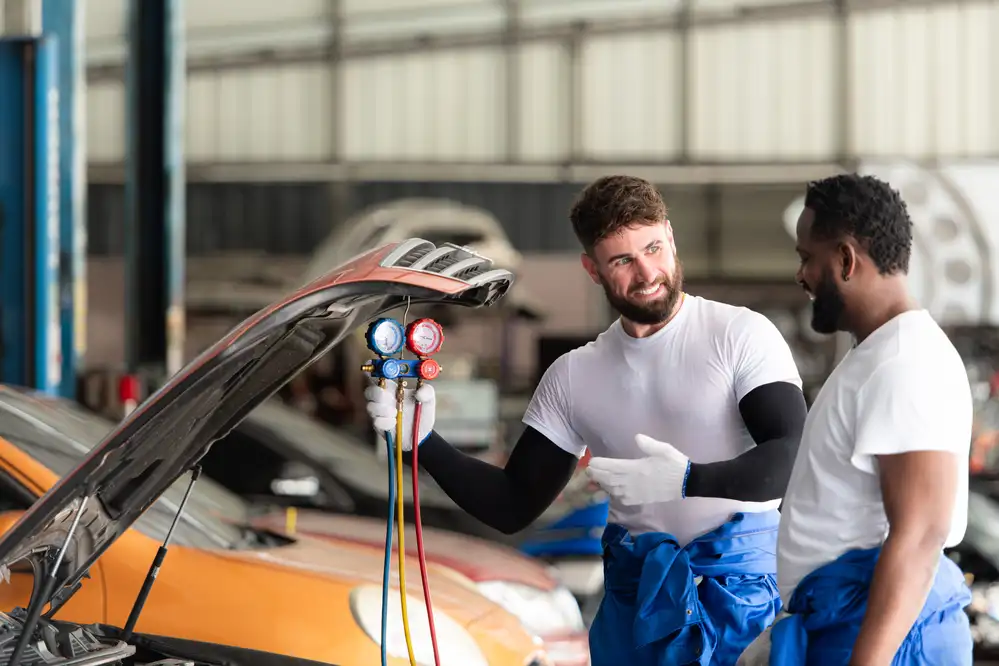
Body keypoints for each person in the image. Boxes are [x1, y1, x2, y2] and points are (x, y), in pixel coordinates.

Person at [365, 175, 808, 666]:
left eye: (653, 248)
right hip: (634, 612)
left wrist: (687, 479)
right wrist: (422, 441)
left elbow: (789, 453)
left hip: (742, 605)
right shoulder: (575, 375)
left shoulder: (739, 335)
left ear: (671, 237)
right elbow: (514, 504)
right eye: (623, 260)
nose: (647, 273)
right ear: (592, 269)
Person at [737, 174, 974, 666]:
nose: (801, 275)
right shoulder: (879, 354)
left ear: (845, 260)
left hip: (885, 637)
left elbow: (921, 533)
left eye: (807, 258)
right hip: (846, 625)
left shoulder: (906, 362)